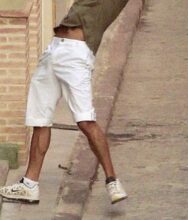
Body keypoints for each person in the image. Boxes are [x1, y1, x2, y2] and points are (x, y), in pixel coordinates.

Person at [0, 0, 129, 204]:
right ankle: (29, 185)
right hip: (53, 50)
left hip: (76, 56)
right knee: (40, 120)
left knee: (85, 121)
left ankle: (113, 181)